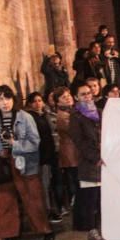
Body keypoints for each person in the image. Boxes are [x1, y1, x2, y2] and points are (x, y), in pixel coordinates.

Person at [0, 86, 54, 240]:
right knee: (4, 201)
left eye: (7, 98)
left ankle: (45, 230)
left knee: (33, 198)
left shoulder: (25, 117)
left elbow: (34, 142)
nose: (4, 103)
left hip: (24, 163)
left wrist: (15, 144)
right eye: (0, 99)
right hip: (4, 164)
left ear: (13, 100)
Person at [70, 84, 106, 240]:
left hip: (104, 161)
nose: (87, 96)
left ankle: (103, 228)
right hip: (89, 163)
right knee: (90, 199)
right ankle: (92, 230)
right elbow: (79, 141)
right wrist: (94, 156)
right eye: (83, 94)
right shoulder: (76, 117)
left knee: (101, 198)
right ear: (77, 97)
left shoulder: (99, 113)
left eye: (89, 94)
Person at [24, 91, 61, 224]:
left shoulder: (44, 115)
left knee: (49, 183)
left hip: (49, 154)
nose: (38, 103)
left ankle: (52, 209)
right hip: (40, 156)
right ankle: (48, 211)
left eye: (40, 100)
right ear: (29, 104)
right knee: (44, 185)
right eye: (35, 101)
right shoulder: (30, 117)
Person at [51, 86, 80, 217]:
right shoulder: (63, 115)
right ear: (57, 102)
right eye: (64, 97)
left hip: (74, 151)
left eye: (68, 95)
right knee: (75, 182)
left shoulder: (72, 111)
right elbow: (74, 131)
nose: (68, 98)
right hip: (70, 153)